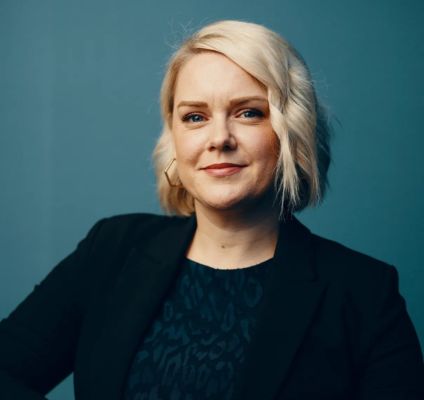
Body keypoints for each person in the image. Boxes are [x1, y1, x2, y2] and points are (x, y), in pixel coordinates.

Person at [0, 19, 423, 400]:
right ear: (174, 137)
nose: (218, 138)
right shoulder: (110, 249)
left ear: (290, 131)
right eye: (195, 117)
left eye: (249, 112)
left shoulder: (365, 291)